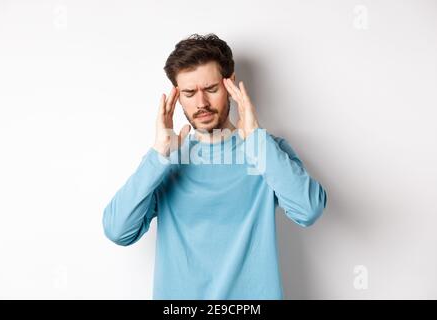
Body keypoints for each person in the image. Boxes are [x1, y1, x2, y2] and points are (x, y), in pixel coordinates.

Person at [102, 33, 328, 299]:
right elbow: (118, 231)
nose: (201, 104)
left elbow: (309, 210)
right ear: (177, 97)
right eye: (189, 93)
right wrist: (158, 154)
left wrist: (256, 139)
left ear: (229, 84)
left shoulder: (266, 151)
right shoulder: (164, 161)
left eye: (211, 89)